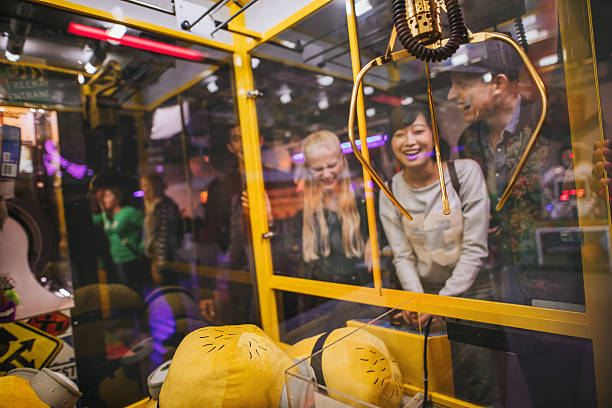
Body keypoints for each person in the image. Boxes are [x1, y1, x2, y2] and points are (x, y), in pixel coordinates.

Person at [447, 42, 596, 407]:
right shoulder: (468, 142)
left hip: (565, 279)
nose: (452, 95)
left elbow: (592, 191)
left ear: (498, 82)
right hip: (502, 281)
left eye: (462, 84)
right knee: (530, 380)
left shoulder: (555, 119)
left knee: (573, 384)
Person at [379, 104, 499, 406]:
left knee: (479, 382)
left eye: (418, 131)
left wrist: (437, 303)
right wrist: (419, 301)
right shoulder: (389, 190)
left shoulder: (465, 172)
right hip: (423, 295)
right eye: (399, 134)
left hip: (473, 293)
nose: (410, 141)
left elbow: (475, 248)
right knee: (434, 384)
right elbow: (402, 256)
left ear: (434, 135)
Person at [296, 130, 372, 285]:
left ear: (342, 160)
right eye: (318, 169)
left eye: (332, 165)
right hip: (324, 294)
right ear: (308, 168)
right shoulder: (303, 207)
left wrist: (375, 238)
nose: (326, 174)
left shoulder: (363, 199)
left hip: (364, 289)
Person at [93, 187, 148, 296]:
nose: (105, 200)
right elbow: (92, 220)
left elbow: (147, 228)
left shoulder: (128, 212)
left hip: (131, 258)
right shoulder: (106, 216)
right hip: (117, 260)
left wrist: (142, 247)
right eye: (103, 197)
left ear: (117, 198)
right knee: (124, 294)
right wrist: (96, 201)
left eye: (108, 196)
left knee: (135, 293)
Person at [141, 173, 183, 286]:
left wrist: (158, 266)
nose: (143, 189)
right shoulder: (152, 205)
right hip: (156, 257)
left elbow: (164, 237)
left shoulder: (164, 206)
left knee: (168, 291)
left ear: (153, 186)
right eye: (142, 186)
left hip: (164, 259)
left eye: (145, 185)